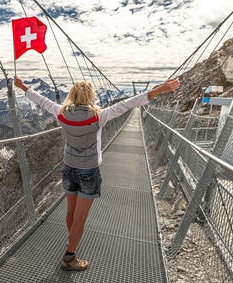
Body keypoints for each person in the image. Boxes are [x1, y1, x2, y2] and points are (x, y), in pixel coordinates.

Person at [14, 76, 180, 271]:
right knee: (81, 217)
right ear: (91, 96)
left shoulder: (61, 112)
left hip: (69, 167)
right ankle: (69, 256)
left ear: (72, 95)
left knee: (71, 211)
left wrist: (22, 86)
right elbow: (129, 104)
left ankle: (72, 242)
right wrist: (163, 88)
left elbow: (41, 100)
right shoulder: (99, 115)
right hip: (88, 171)